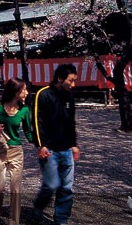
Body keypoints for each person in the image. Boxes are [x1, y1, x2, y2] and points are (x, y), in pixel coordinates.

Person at [32, 64, 80, 225]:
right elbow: (36, 122)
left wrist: (74, 144)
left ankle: (61, 220)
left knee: (67, 188)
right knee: (51, 185)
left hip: (66, 149)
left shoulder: (69, 96)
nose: (73, 85)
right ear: (60, 78)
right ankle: (38, 207)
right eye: (70, 81)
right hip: (49, 150)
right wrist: (41, 145)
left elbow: (71, 122)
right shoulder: (43, 94)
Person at [0, 77, 33, 225]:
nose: (26, 92)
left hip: (16, 151)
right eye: (24, 89)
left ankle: (14, 221)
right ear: (15, 91)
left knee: (15, 187)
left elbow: (28, 132)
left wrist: (41, 145)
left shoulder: (24, 110)